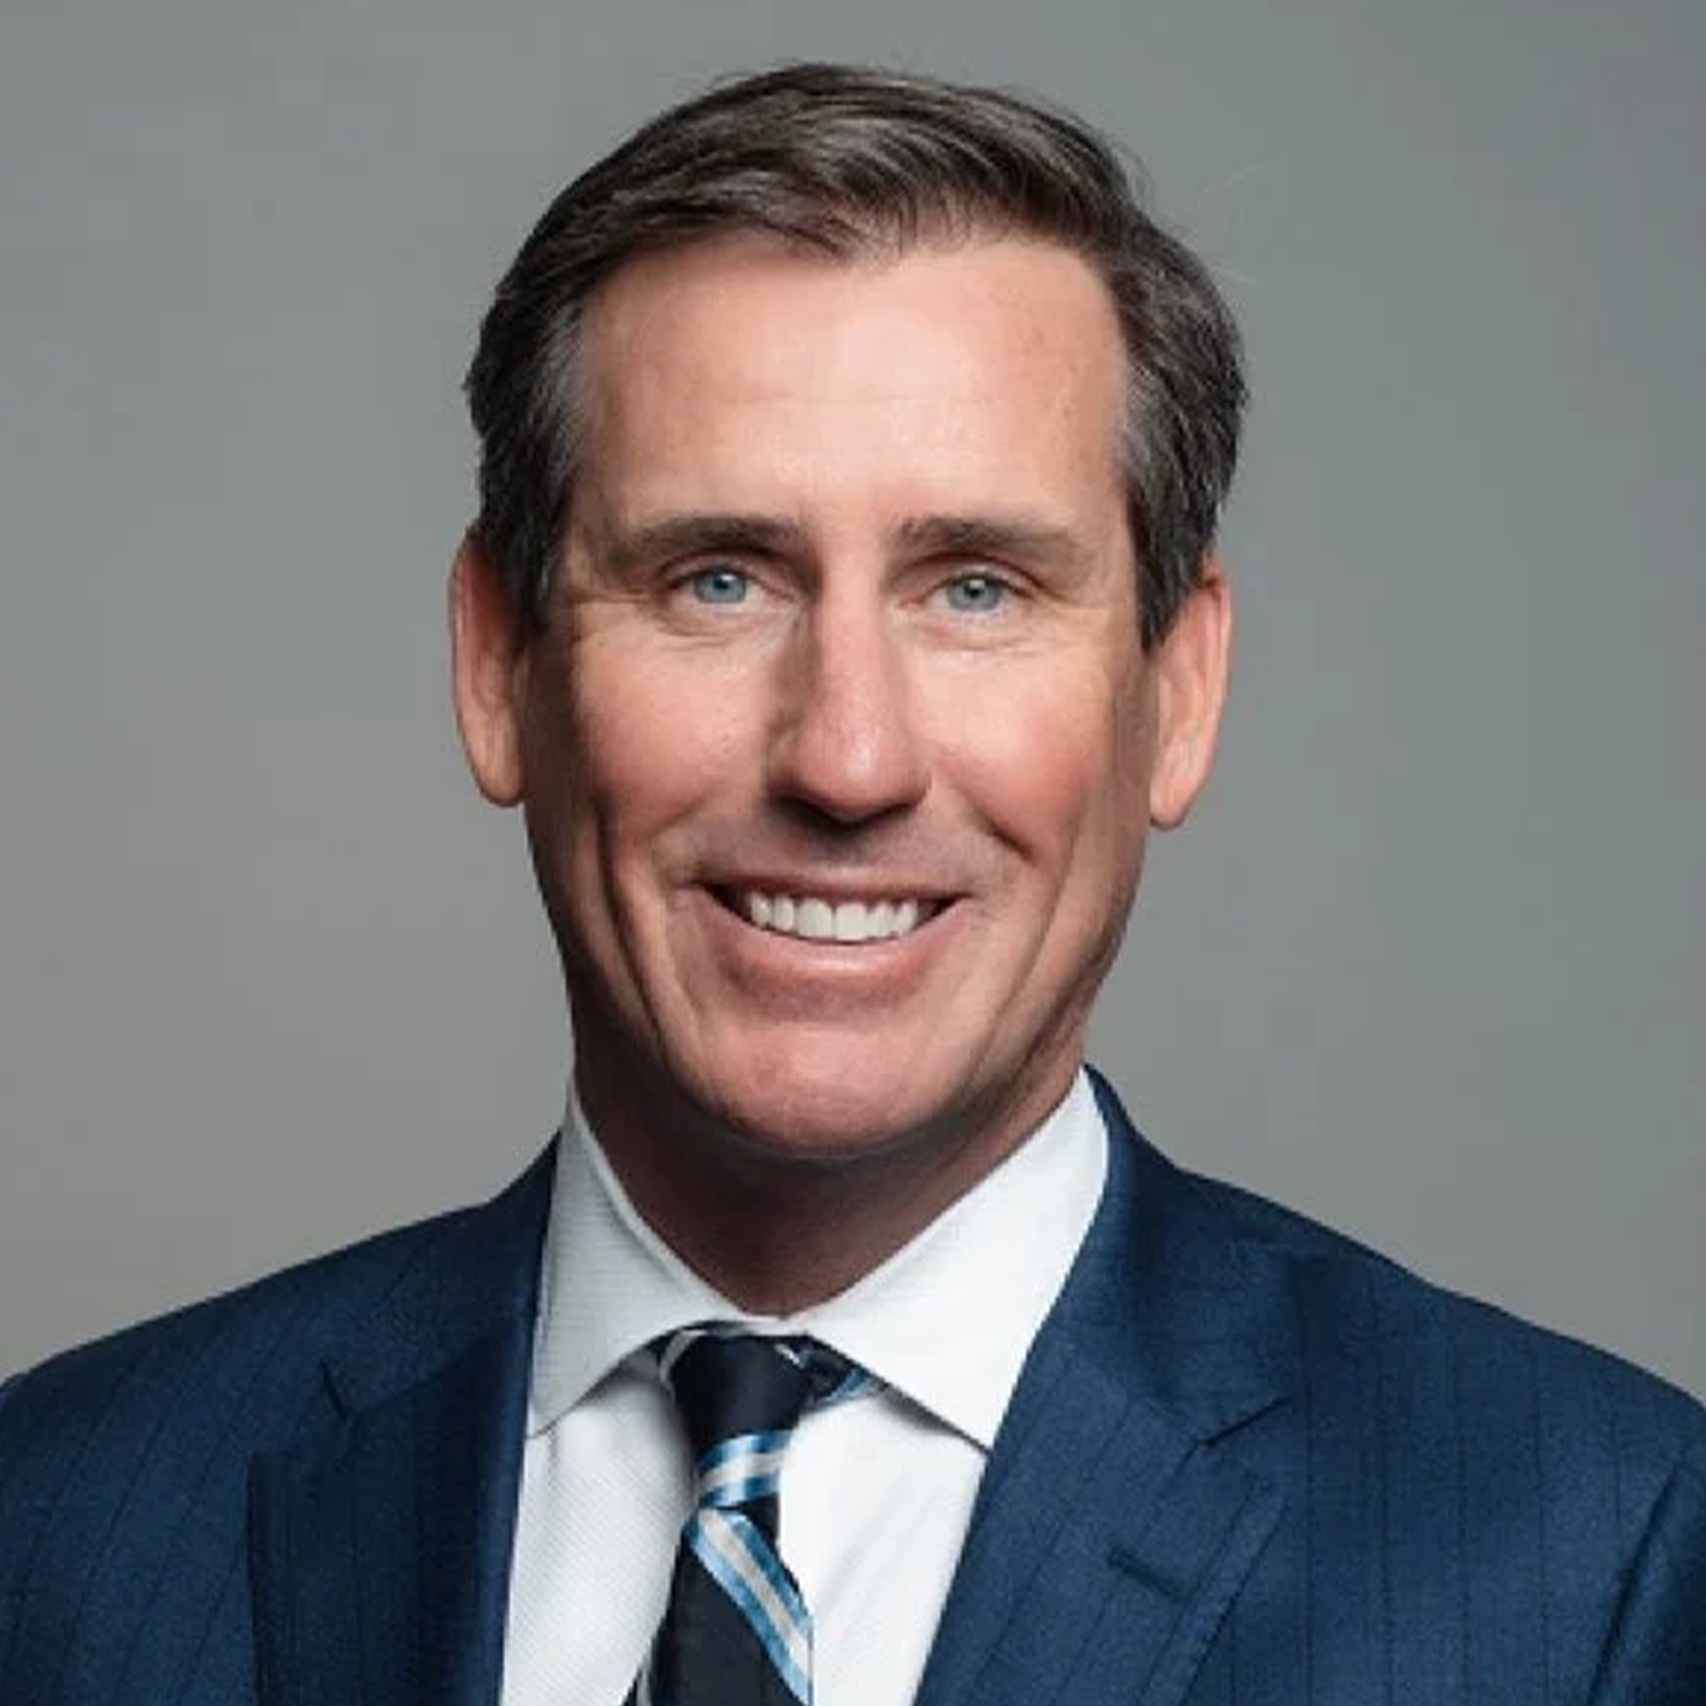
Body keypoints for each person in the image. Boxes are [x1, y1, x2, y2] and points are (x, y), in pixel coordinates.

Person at [1, 62, 1701, 1706]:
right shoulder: (59, 1532)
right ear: (498, 664)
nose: (847, 757)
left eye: (975, 587)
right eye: (717, 579)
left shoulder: (1593, 1566)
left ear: (1175, 693)